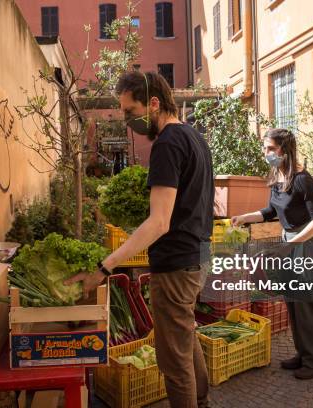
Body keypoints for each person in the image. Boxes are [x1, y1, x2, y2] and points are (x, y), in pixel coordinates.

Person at [65, 71, 213, 407]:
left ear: (154, 103)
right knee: (185, 334)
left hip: (176, 265)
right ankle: (201, 401)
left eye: (131, 112)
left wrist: (105, 267)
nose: (128, 120)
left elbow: (159, 222)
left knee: (173, 362)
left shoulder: (167, 145)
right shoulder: (195, 138)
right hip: (198, 255)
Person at [231, 128, 313, 380]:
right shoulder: (278, 177)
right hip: (290, 242)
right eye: (265, 148)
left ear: (284, 150)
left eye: (270, 148)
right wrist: (243, 218)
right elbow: (271, 211)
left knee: (310, 305)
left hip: (307, 245)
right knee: (294, 303)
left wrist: (294, 243)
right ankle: (303, 353)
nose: (266, 153)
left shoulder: (303, 179)